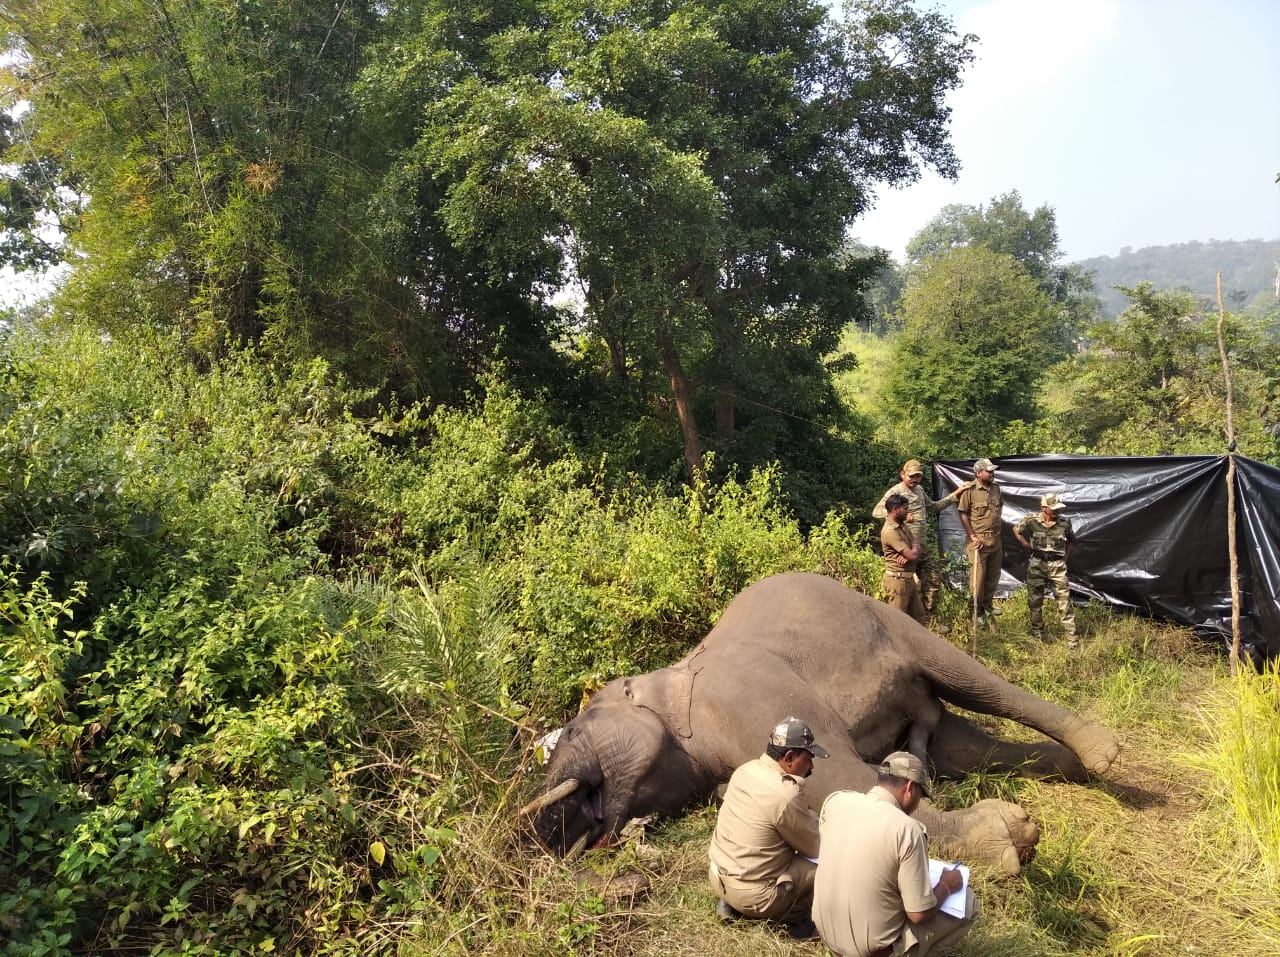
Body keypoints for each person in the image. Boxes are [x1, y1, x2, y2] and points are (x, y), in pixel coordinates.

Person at [813, 752, 979, 957]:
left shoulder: (836, 801)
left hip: (829, 939)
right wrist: (946, 886)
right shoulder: (908, 830)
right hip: (872, 952)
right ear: (910, 788)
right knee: (969, 903)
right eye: (920, 796)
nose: (918, 804)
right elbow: (918, 914)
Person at [709, 717, 827, 939]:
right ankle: (788, 923)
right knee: (830, 865)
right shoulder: (785, 794)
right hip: (755, 898)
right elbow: (817, 848)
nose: (811, 766)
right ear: (789, 757)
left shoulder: (745, 770)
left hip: (718, 877)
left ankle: (731, 905)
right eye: (808, 758)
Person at [872, 460, 962, 633]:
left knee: (933, 579)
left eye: (918, 476)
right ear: (903, 474)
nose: (915, 479)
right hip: (904, 548)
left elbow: (933, 506)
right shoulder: (896, 491)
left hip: (920, 546)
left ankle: (929, 621)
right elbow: (877, 512)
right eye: (912, 476)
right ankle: (900, 627)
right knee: (903, 586)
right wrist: (903, 515)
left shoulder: (919, 490)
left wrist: (955, 495)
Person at [1015, 492, 1078, 648]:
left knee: (1064, 602)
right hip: (1037, 564)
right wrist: (1024, 543)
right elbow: (1016, 529)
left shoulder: (1064, 523)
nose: (1057, 511)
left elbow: (1072, 540)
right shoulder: (1031, 521)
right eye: (1053, 508)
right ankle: (1037, 635)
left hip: (1057, 566)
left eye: (1058, 508)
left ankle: (1072, 641)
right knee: (1035, 601)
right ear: (1044, 508)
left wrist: (1064, 559)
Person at [956, 457, 1004, 626]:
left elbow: (999, 508)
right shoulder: (970, 490)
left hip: (995, 539)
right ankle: (976, 610)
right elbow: (963, 514)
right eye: (988, 471)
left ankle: (987, 604)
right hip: (978, 541)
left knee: (993, 575)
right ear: (978, 473)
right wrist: (973, 536)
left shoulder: (996, 488)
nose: (992, 474)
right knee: (978, 579)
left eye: (993, 471)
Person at [880, 493, 927, 627]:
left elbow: (917, 545)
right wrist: (912, 552)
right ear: (896, 509)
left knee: (920, 619)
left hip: (908, 579)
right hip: (897, 582)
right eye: (905, 508)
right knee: (897, 623)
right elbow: (913, 555)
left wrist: (913, 549)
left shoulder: (902, 525)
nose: (908, 512)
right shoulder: (890, 531)